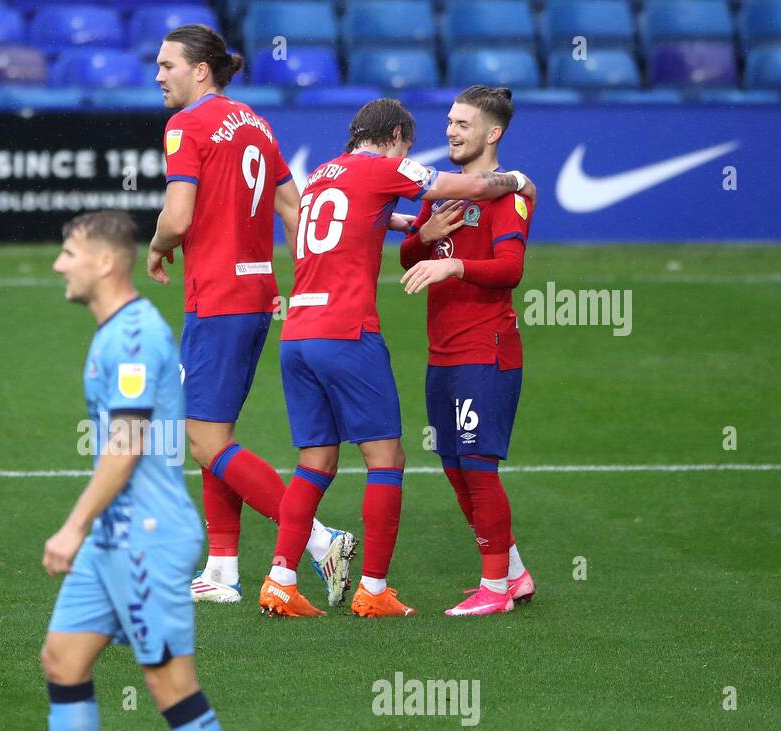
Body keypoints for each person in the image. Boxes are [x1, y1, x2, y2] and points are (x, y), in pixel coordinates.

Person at [0, 211, 249, 731]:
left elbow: (128, 442)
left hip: (147, 538)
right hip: (116, 536)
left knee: (169, 682)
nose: (58, 264)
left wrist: (73, 524)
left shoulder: (133, 337)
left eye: (68, 251)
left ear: (105, 261)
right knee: (62, 658)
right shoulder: (114, 332)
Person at [257, 98, 536, 619]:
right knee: (387, 461)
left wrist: (416, 231)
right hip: (347, 333)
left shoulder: (320, 174)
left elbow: (352, 220)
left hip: (298, 335)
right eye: (413, 141)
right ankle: (374, 588)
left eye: (460, 123)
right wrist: (520, 181)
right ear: (398, 136)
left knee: (315, 461)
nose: (442, 137)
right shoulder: (389, 168)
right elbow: (475, 187)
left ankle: (280, 579)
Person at [150, 24, 354, 607]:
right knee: (219, 434)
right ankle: (220, 570)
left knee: (202, 441)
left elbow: (179, 215)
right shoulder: (254, 122)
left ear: (200, 70)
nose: (158, 75)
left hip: (216, 299)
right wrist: (307, 283)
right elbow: (294, 206)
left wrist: (157, 244)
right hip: (255, 293)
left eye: (168, 65)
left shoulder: (184, 126)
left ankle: (317, 539)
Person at [399, 86, 536, 615]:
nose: (451, 131)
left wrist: (453, 265)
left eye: (462, 124)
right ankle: (514, 573)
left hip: (487, 350)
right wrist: (424, 236)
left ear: (493, 133)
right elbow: (409, 257)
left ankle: (495, 590)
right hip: (444, 353)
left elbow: (511, 270)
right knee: (456, 467)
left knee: (478, 466)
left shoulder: (508, 197)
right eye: (450, 122)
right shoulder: (443, 190)